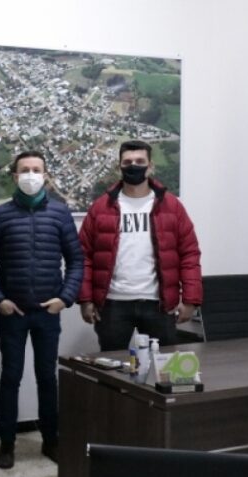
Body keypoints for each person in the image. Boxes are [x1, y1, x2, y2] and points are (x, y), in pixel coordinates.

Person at [0, 151, 83, 467]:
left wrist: (64, 298)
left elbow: (77, 260)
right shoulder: (0, 216)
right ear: (14, 176)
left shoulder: (61, 213)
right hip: (13, 313)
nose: (30, 175)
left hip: (47, 313)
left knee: (46, 379)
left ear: (45, 175)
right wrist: (0, 300)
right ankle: (7, 444)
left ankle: (51, 440)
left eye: (36, 170)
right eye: (24, 170)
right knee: (10, 377)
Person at [78, 139, 202, 351]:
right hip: (112, 304)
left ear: (150, 166)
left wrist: (191, 299)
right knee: (112, 372)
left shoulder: (171, 206)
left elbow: (189, 254)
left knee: (163, 372)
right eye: (127, 162)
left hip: (158, 303)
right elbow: (83, 256)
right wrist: (85, 299)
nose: (133, 166)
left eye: (139, 161)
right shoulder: (101, 208)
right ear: (119, 167)